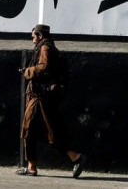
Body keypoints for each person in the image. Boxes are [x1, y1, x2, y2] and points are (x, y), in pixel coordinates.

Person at [16, 24, 86, 177]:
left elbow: (43, 67)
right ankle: (33, 165)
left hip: (39, 97)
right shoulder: (48, 47)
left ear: (40, 35)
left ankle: (74, 157)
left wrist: (27, 71)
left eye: (34, 37)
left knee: (29, 128)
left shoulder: (45, 49)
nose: (33, 40)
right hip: (42, 97)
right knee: (44, 131)